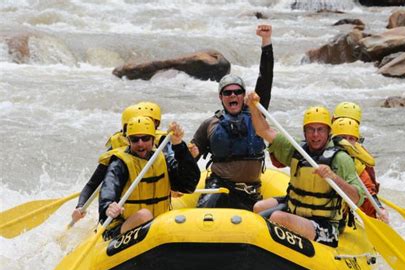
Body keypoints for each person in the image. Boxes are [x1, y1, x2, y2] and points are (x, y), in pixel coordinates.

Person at [247, 93, 365, 247]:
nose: (315, 135)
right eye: (310, 130)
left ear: (328, 132)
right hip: (295, 208)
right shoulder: (297, 149)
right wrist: (253, 107)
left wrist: (334, 177)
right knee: (258, 207)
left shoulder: (340, 159)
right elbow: (264, 131)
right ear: (304, 132)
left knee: (277, 217)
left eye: (320, 130)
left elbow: (357, 198)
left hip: (324, 224)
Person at [189, 24, 273, 211]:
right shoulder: (210, 125)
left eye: (237, 92)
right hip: (219, 188)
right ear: (221, 97)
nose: (233, 96)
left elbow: (266, 79)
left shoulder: (257, 115)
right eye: (227, 93)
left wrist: (266, 42)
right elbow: (189, 160)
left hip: (251, 192)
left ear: (244, 96)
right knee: (204, 214)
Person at [99, 116, 200, 238]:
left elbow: (188, 185)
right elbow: (109, 187)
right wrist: (108, 205)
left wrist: (179, 146)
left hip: (159, 224)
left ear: (153, 139)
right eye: (135, 139)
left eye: (145, 138)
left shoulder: (163, 159)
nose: (140, 143)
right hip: (124, 227)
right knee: (144, 215)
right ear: (129, 141)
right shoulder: (120, 164)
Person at [70, 101, 166, 224]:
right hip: (126, 214)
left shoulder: (160, 143)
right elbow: (94, 184)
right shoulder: (117, 155)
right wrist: (81, 206)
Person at [331, 117, 389, 223]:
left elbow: (367, 193)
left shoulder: (358, 166)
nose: (346, 143)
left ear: (356, 142)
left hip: (340, 216)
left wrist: (379, 209)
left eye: (351, 139)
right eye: (343, 138)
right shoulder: (321, 155)